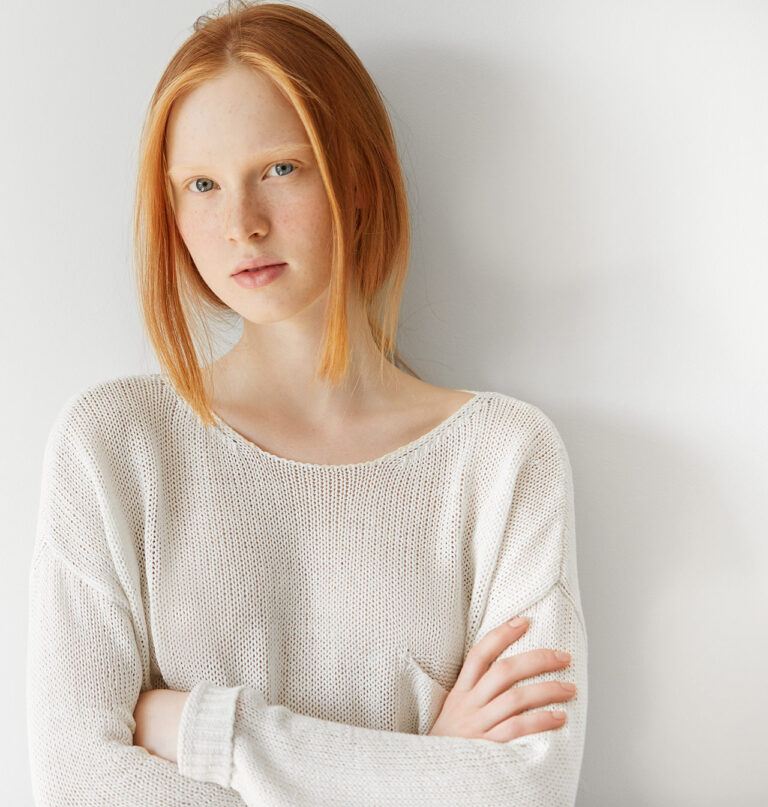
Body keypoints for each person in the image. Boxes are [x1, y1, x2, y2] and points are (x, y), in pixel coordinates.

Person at [26, 2, 588, 805]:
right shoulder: (114, 445)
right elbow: (79, 784)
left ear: (356, 177)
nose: (242, 225)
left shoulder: (502, 458)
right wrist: (428, 767)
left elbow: (527, 791)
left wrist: (209, 733)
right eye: (202, 185)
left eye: (280, 169)